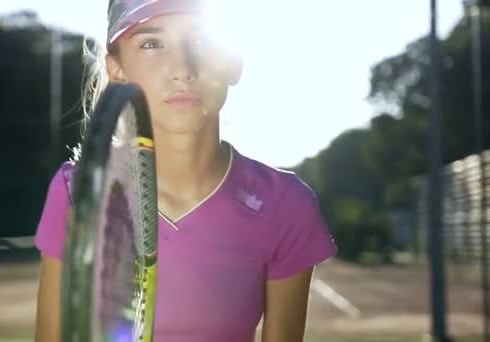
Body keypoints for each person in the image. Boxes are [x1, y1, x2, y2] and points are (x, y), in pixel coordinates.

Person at [35, 0, 337, 341]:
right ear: (117, 69)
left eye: (202, 41)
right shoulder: (78, 192)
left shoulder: (285, 204)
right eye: (151, 44)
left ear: (234, 62)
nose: (181, 69)